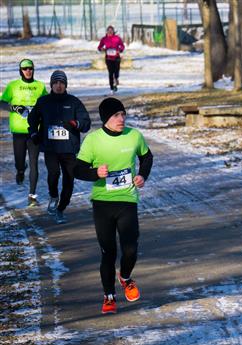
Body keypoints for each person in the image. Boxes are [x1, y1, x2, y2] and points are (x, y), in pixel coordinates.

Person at [74, 97, 153, 315]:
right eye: (116, 115)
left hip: (127, 200)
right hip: (102, 203)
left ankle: (125, 277)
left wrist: (142, 175)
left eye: (123, 114)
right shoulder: (93, 140)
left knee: (130, 249)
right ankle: (109, 296)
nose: (121, 119)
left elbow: (147, 157)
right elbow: (77, 169)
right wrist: (95, 173)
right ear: (105, 118)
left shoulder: (134, 135)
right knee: (108, 252)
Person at [28, 70, 91, 224]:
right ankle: (53, 195)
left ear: (65, 85)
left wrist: (77, 124)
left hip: (69, 149)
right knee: (54, 174)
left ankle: (61, 208)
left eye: (61, 83)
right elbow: (32, 119)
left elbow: (86, 123)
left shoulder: (74, 102)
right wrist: (34, 133)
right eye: (55, 83)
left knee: (69, 179)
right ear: (51, 85)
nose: (58, 86)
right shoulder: (43, 102)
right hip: (51, 148)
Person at [0, 59, 47, 207]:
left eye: (30, 68)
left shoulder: (40, 86)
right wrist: (15, 108)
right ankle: (20, 170)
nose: (28, 71)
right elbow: (2, 103)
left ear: (33, 69)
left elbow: (47, 104)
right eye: (25, 69)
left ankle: (32, 195)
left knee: (34, 163)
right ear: (20, 71)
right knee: (19, 162)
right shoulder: (13, 86)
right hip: (19, 132)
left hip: (34, 131)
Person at [97, 25, 125, 94]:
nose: (110, 32)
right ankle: (111, 88)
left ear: (113, 31)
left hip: (116, 58)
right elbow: (99, 47)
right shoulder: (104, 39)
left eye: (111, 31)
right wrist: (102, 49)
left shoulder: (117, 38)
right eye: (108, 31)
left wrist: (119, 50)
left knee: (116, 72)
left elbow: (122, 46)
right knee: (110, 73)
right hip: (108, 58)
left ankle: (116, 79)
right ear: (106, 31)